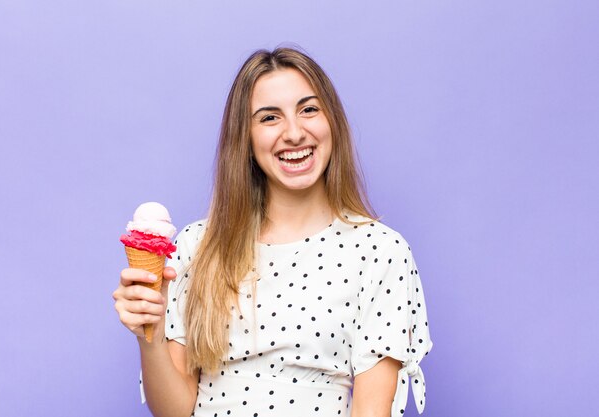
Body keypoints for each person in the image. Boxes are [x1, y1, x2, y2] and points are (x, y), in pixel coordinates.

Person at [113, 46, 433, 417]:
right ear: (245, 139)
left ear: (333, 122)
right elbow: (174, 411)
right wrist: (149, 336)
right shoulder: (197, 246)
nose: (294, 133)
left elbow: (371, 410)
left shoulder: (381, 251)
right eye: (269, 118)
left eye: (309, 109)